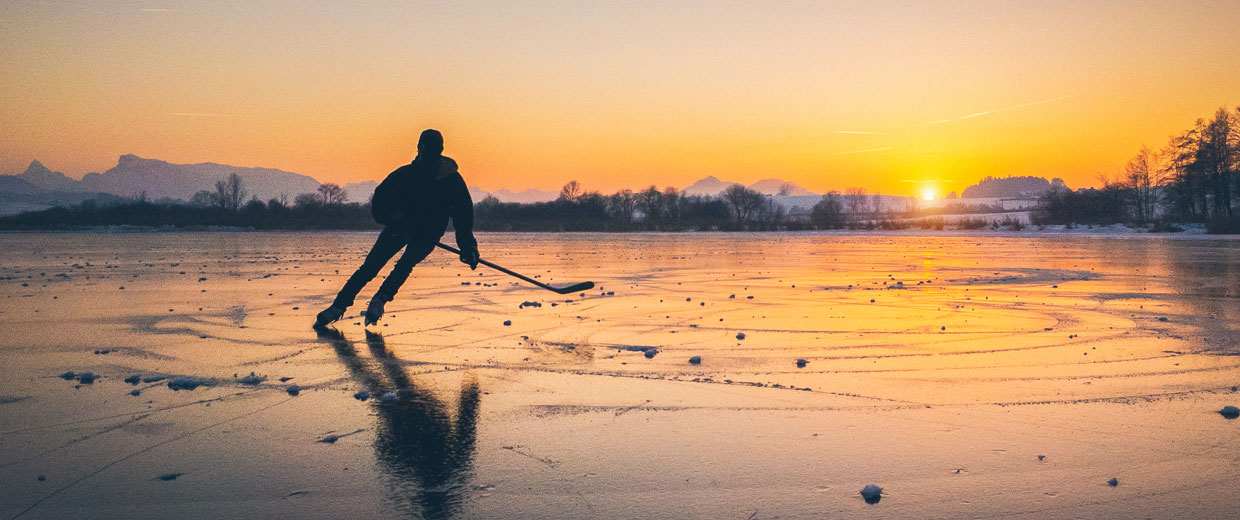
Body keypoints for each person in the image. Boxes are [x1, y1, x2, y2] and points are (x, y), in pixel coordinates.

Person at [315, 129, 479, 328]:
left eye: (432, 152)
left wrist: (467, 246)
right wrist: (397, 220)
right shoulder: (406, 174)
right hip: (400, 227)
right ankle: (338, 306)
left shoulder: (451, 179)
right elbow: (381, 199)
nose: (427, 157)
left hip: (428, 233)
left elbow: (463, 214)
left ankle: (380, 299)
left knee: (405, 264)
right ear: (419, 149)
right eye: (425, 151)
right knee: (370, 267)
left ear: (440, 151)